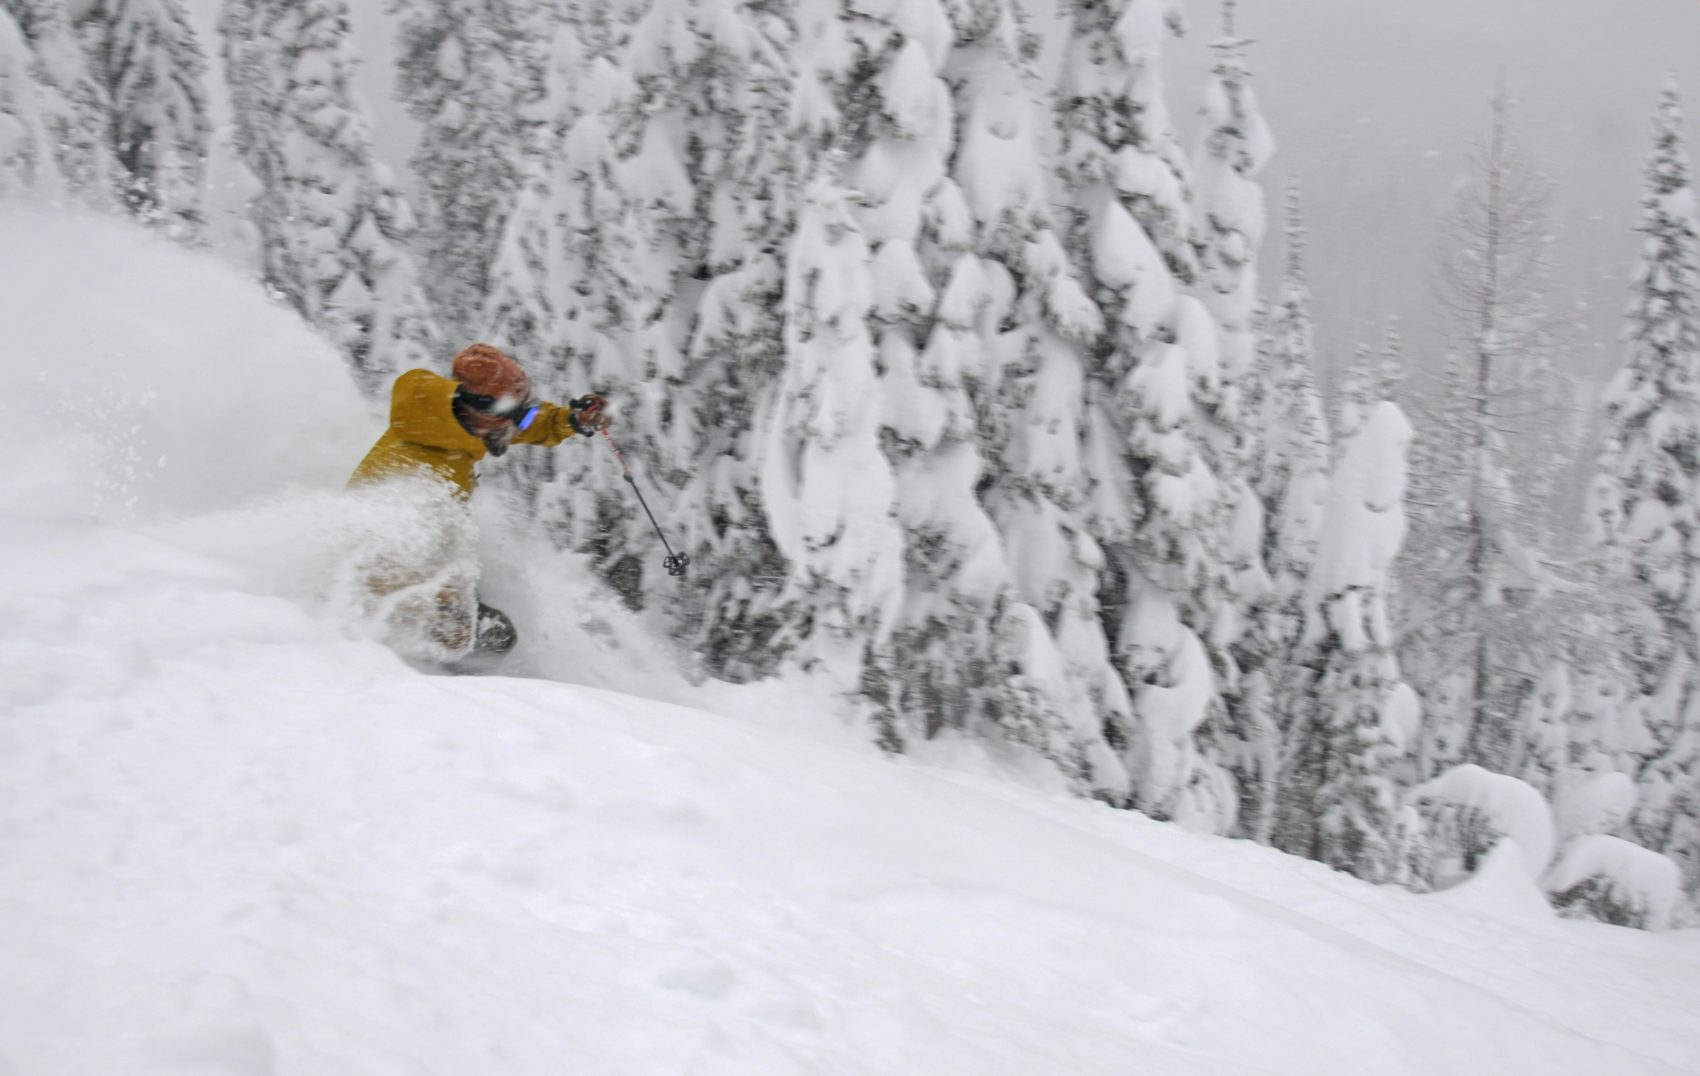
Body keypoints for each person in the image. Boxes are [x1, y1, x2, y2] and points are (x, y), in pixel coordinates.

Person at [349, 342, 611, 660]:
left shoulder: (464, 423)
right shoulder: (419, 477)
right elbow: (410, 551)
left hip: (418, 573)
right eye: (520, 416)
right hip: (382, 585)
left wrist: (571, 420)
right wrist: (449, 610)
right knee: (489, 639)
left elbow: (530, 423)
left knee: (487, 632)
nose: (521, 427)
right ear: (491, 412)